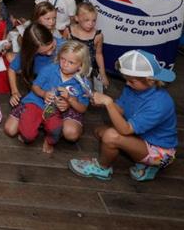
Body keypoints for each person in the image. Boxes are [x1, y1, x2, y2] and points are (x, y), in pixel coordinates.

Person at [69, 49, 177, 182]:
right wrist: (102, 103)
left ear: (150, 80)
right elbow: (121, 109)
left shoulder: (159, 104)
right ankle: (140, 160)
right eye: (126, 79)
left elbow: (125, 130)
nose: (127, 84)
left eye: (132, 81)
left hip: (162, 154)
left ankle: (103, 168)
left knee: (110, 136)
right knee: (100, 132)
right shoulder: (132, 88)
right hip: (141, 137)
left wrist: (108, 102)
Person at [14, 41, 91, 154]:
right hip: (39, 103)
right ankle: (31, 128)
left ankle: (49, 140)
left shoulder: (84, 84)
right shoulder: (50, 69)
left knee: (56, 129)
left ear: (81, 65)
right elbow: (35, 86)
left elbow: (83, 108)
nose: (65, 64)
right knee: (26, 134)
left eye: (71, 62)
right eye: (63, 59)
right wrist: (44, 94)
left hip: (60, 111)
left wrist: (70, 100)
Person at [4, 23, 57, 137]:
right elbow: (12, 69)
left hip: (57, 97)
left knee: (69, 131)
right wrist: (14, 92)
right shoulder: (27, 54)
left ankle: (43, 124)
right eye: (43, 52)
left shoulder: (64, 47)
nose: (50, 53)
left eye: (52, 47)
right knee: (10, 129)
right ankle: (38, 123)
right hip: (36, 96)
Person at [69, 2, 107, 89]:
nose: (91, 24)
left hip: (86, 71)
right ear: (77, 18)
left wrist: (103, 74)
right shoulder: (69, 31)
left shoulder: (98, 36)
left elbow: (98, 54)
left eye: (94, 20)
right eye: (87, 20)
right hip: (69, 67)